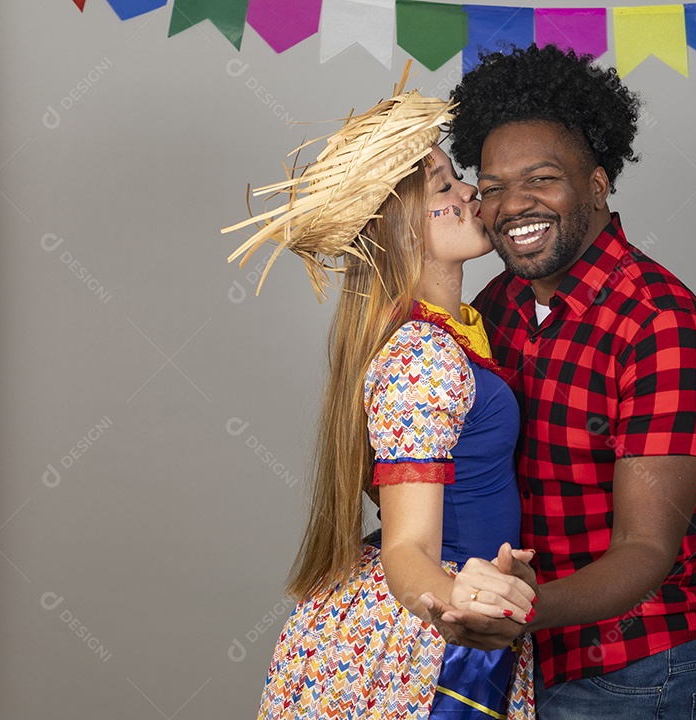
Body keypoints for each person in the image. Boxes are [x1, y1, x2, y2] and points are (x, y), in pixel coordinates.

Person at [424, 45, 696, 719]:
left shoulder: (662, 327)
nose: (513, 206)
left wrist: (521, 608)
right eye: (491, 186)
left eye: (541, 180)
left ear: (597, 186)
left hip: (644, 648)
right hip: (535, 636)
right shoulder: (499, 304)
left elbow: (645, 547)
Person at [222, 67, 537, 719]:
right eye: (445, 185)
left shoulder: (457, 328)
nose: (470, 190)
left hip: (468, 615)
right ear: (402, 228)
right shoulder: (421, 354)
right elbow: (407, 551)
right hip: (430, 643)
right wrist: (452, 603)